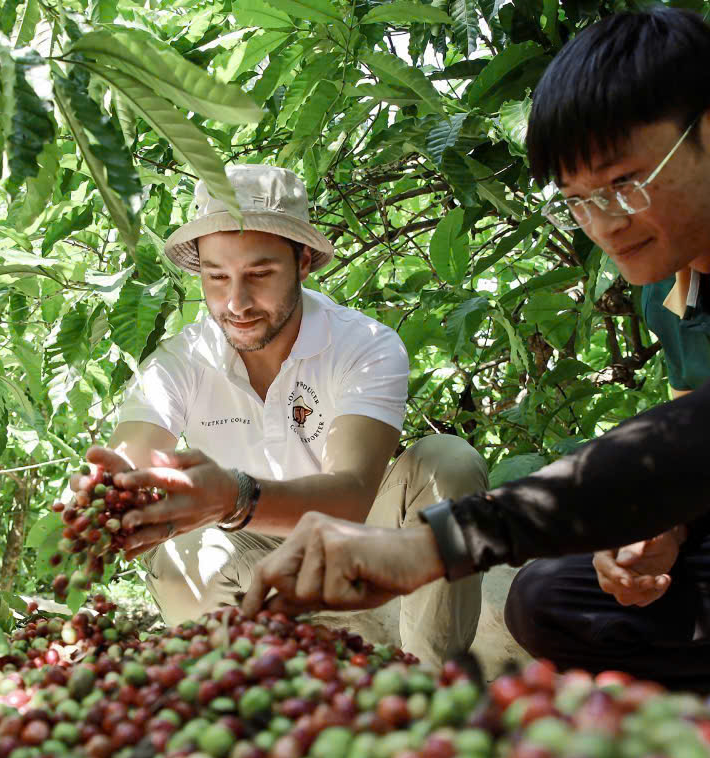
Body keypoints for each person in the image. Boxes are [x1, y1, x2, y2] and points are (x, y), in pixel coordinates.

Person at [243, 7, 710, 719]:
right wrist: (663, 528)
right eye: (581, 203)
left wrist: (437, 542)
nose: (607, 225)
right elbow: (699, 473)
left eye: (626, 185)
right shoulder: (673, 289)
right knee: (555, 598)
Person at [75, 164, 488, 670]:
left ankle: (431, 680)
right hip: (253, 560)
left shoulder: (364, 346)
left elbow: (353, 494)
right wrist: (109, 490)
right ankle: (236, 688)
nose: (236, 302)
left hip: (367, 553)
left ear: (303, 262)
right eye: (216, 277)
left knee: (449, 462)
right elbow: (134, 455)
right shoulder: (182, 361)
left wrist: (236, 497)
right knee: (183, 557)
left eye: (260, 274)